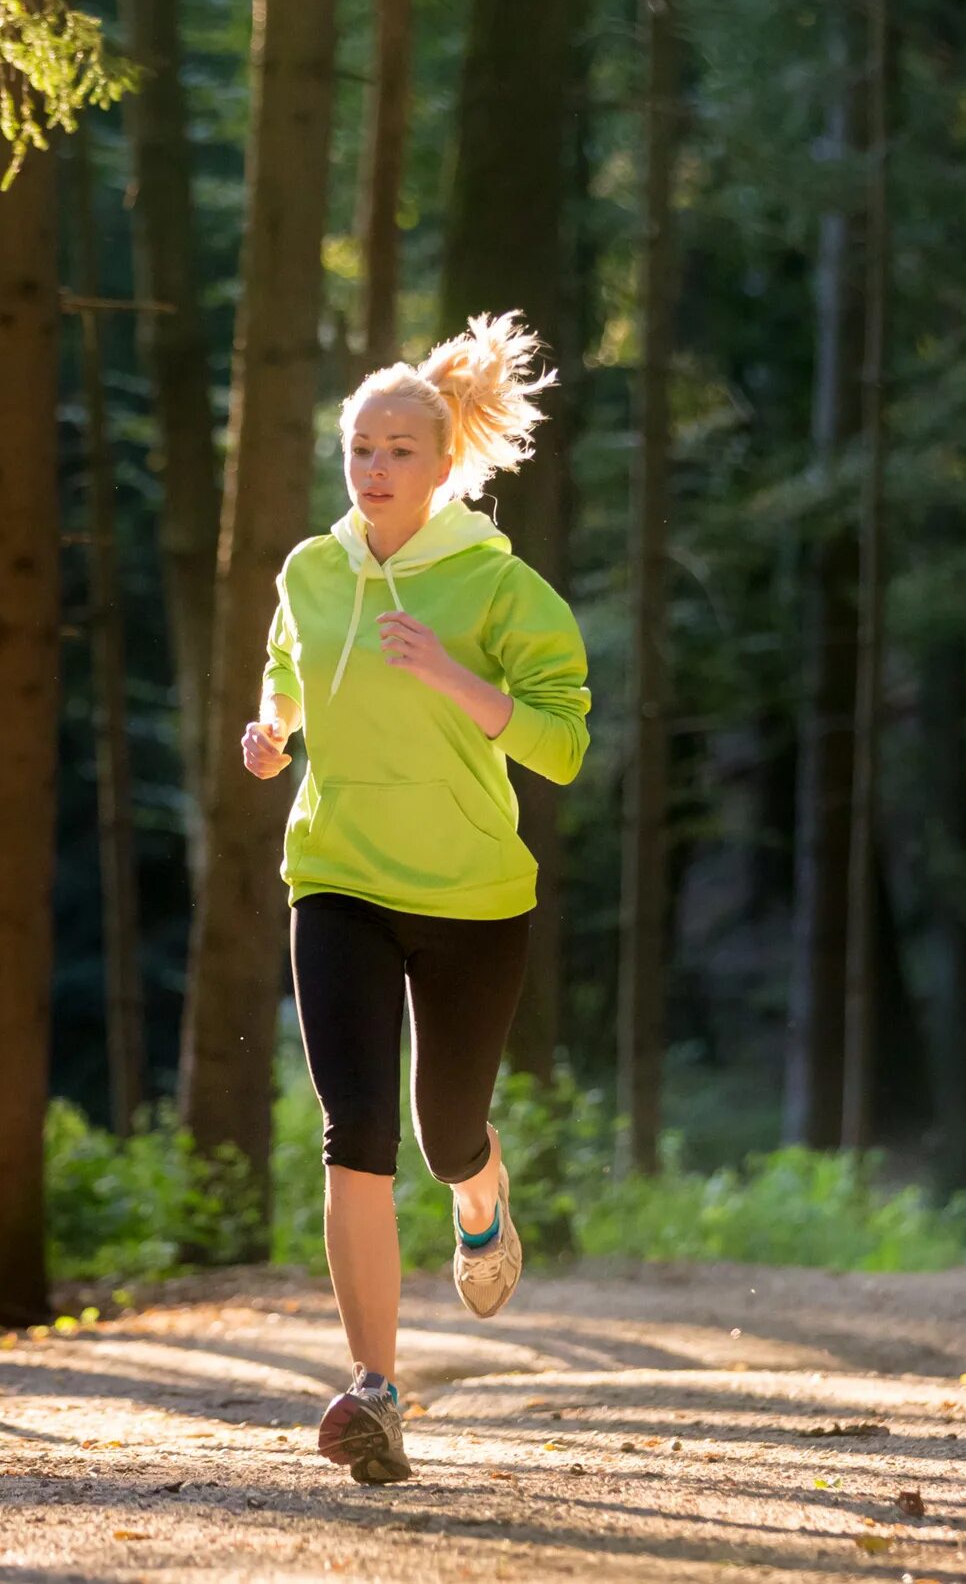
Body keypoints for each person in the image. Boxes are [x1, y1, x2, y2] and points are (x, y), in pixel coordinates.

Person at [237, 312, 591, 1486]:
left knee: (444, 1133)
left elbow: (561, 746)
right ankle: (376, 1392)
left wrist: (452, 677)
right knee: (357, 1136)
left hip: (471, 893)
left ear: (444, 464)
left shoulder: (499, 587)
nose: (376, 468)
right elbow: (291, 664)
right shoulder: (310, 567)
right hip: (335, 873)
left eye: (400, 449)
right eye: (360, 447)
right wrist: (274, 730)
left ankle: (482, 1193)